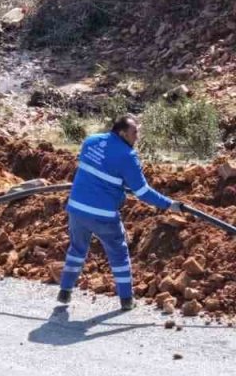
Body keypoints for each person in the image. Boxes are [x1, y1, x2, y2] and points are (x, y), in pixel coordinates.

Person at [58, 115, 180, 310]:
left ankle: (65, 291)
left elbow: (99, 169)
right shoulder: (127, 155)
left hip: (77, 209)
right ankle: (126, 300)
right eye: (134, 133)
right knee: (119, 254)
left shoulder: (90, 141)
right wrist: (169, 204)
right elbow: (142, 191)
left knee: (77, 249)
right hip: (103, 215)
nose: (137, 137)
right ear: (122, 133)